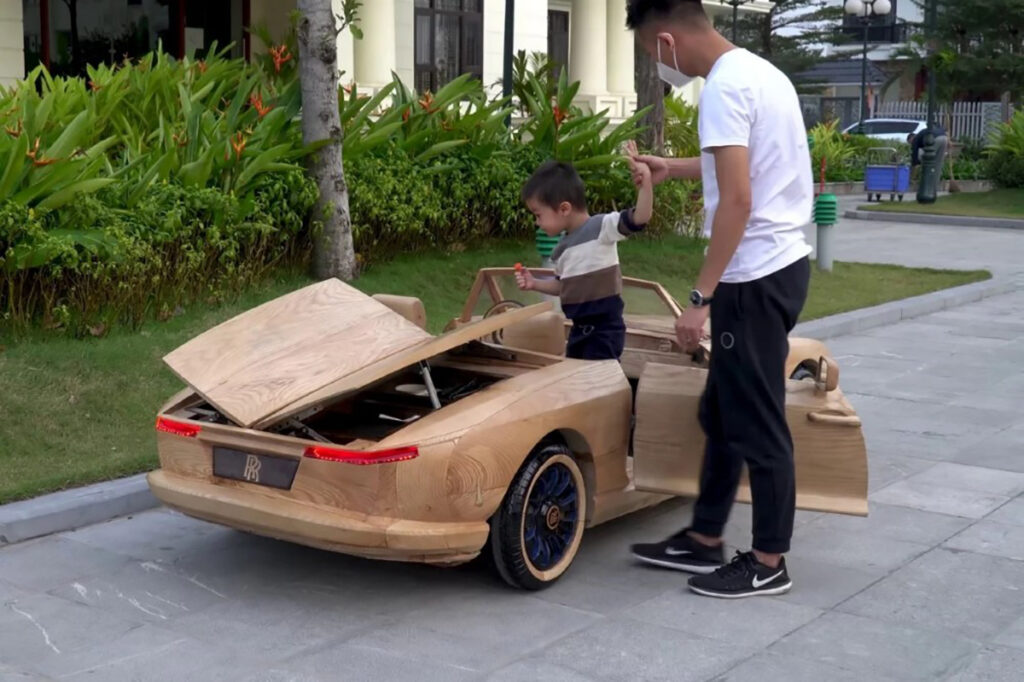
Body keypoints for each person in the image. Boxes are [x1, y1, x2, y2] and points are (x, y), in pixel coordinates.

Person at [624, 0, 812, 599]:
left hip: (753, 277)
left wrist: (700, 296)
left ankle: (768, 562)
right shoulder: (760, 73)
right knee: (723, 412)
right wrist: (671, 168)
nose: (658, 65)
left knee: (757, 421)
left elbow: (737, 200)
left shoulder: (724, 88)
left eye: (651, 53)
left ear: (666, 40)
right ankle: (704, 538)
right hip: (777, 266)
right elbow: (744, 167)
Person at [516, 148, 653, 361]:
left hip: (604, 330)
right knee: (576, 375)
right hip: (578, 330)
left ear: (564, 209)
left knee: (597, 377)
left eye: (538, 215)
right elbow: (564, 287)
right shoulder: (561, 250)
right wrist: (535, 283)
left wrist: (646, 185)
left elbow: (640, 218)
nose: (537, 222)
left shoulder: (602, 227)